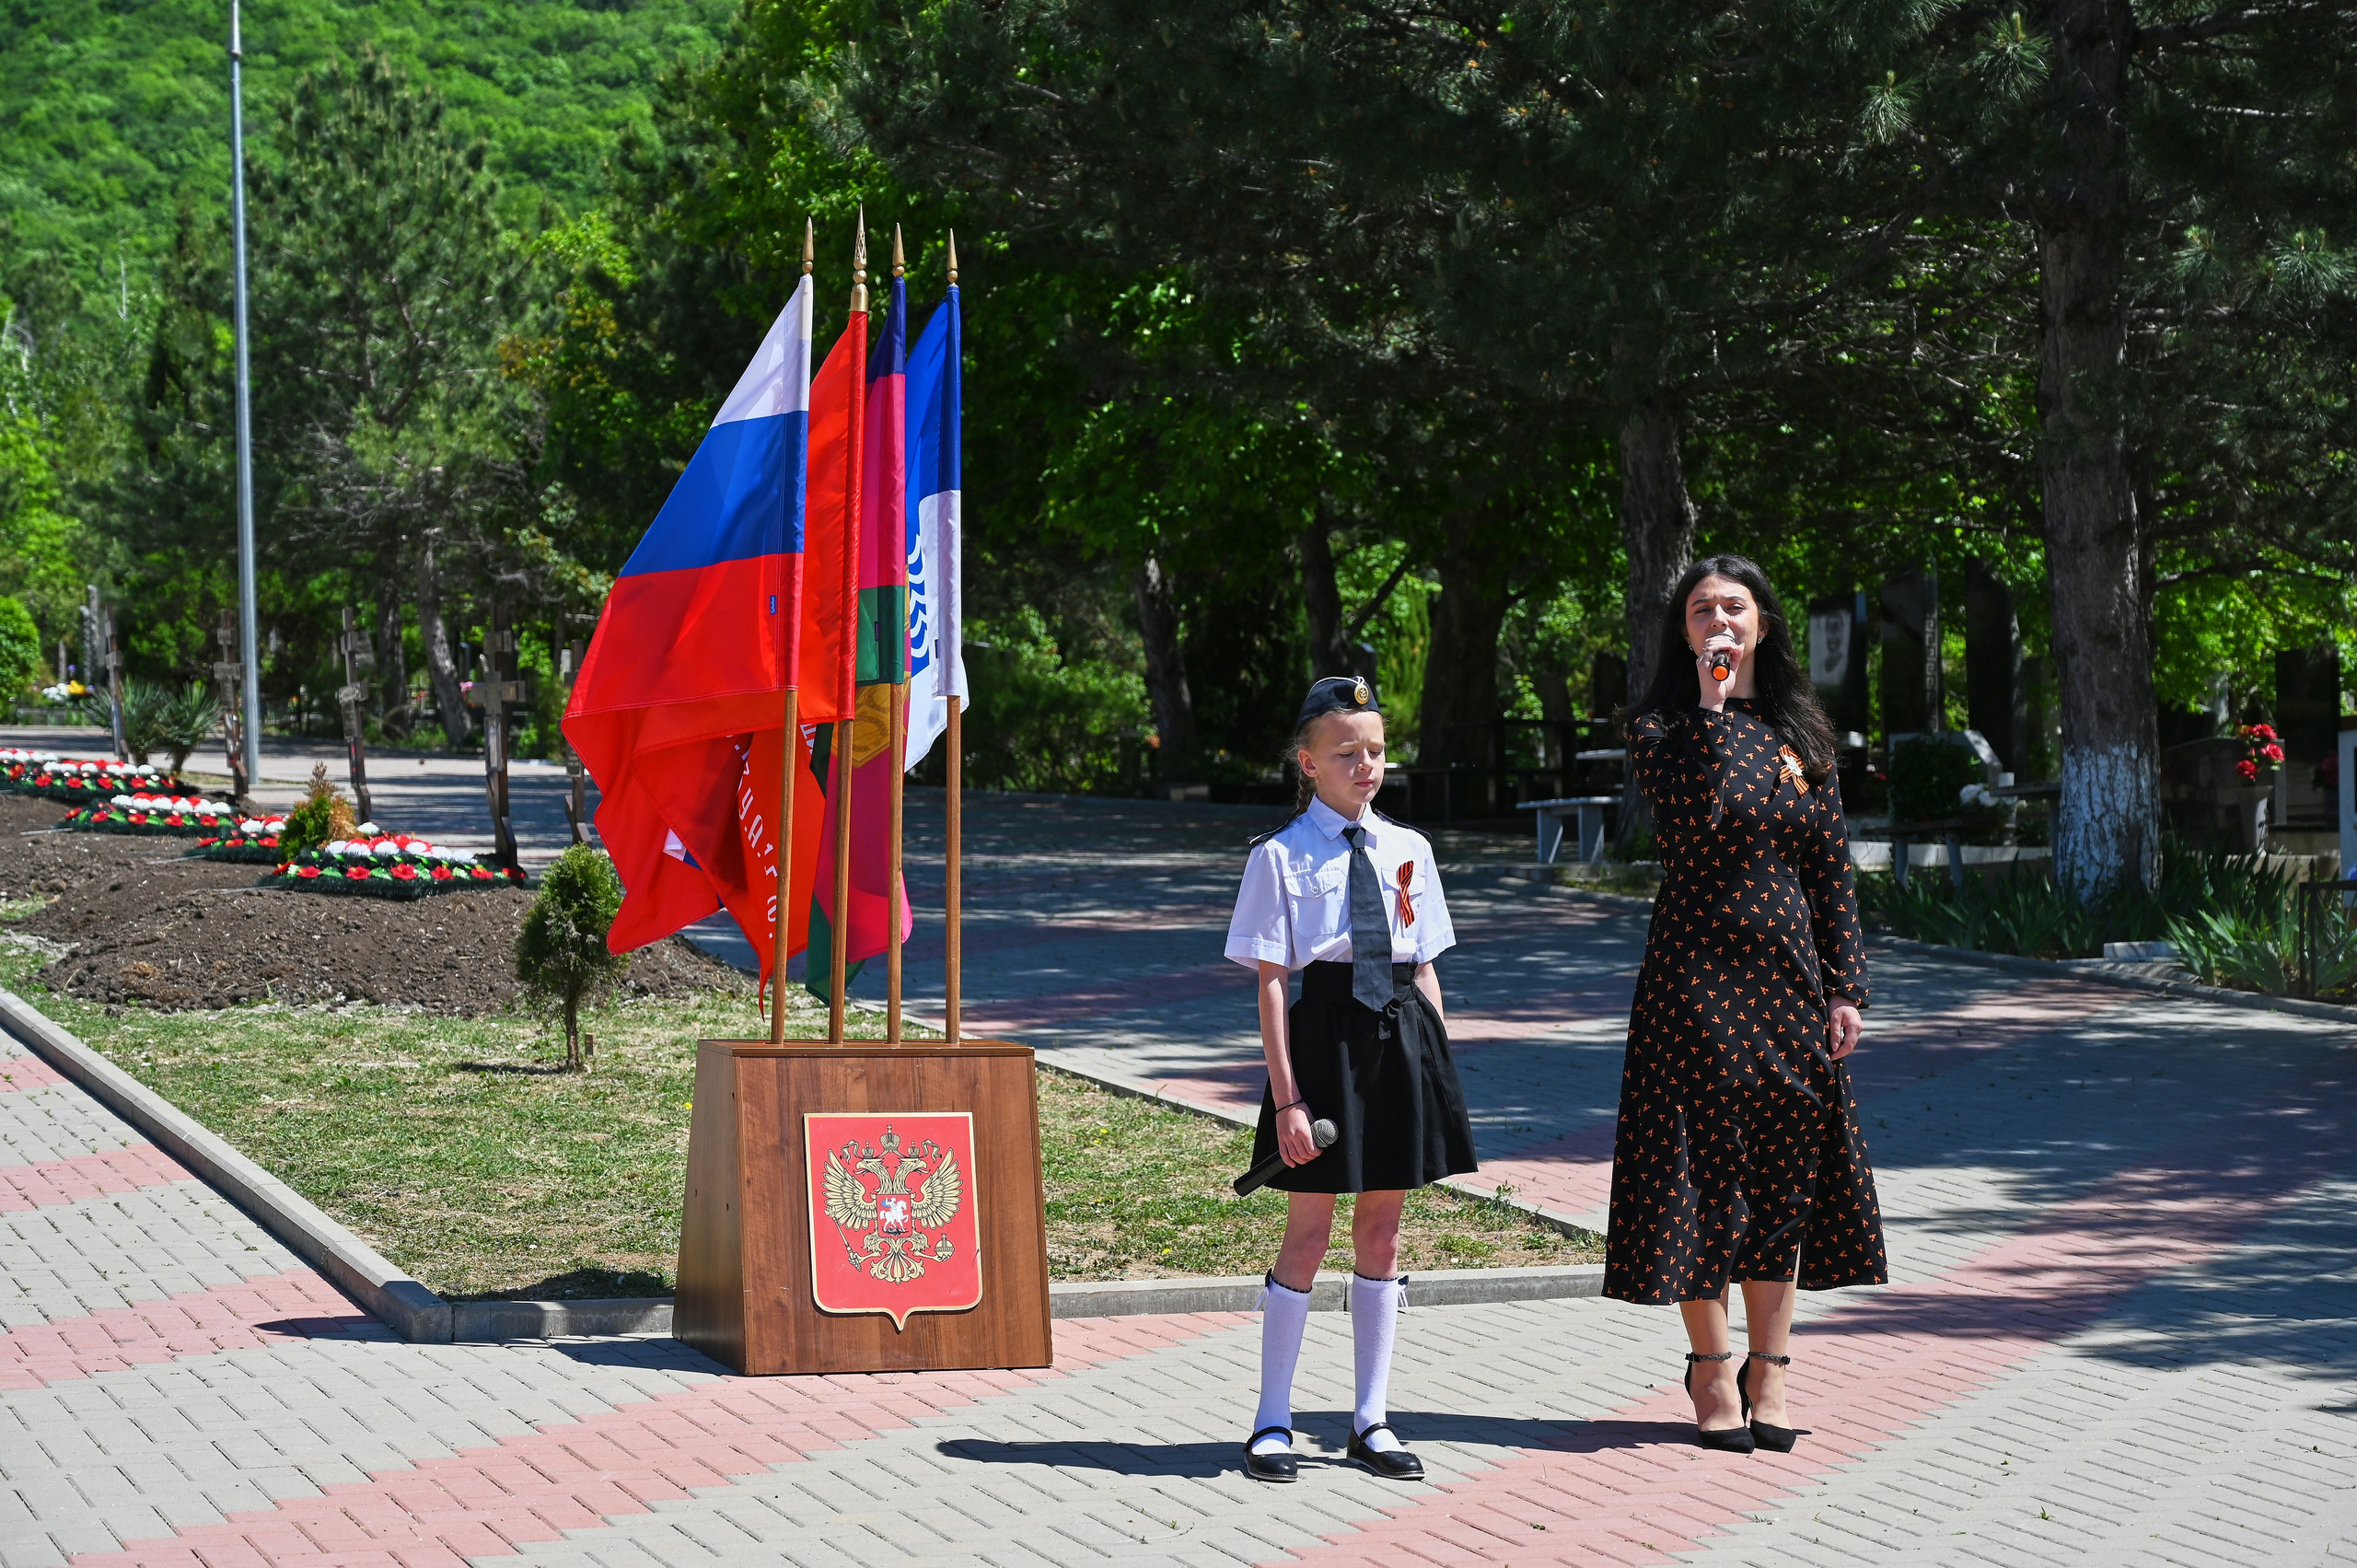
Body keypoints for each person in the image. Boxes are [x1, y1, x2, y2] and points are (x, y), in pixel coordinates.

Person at [1608, 554, 1887, 1455]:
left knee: (1780, 1179)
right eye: (1700, 612)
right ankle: (1711, 1369)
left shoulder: (1806, 733)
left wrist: (1846, 984)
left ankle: (1772, 1370)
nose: (1717, 622)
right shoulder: (1662, 727)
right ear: (1682, 633)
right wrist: (1713, 702)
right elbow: (1705, 813)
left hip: (1789, 989)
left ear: (1763, 620)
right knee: (1701, 1178)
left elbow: (1832, 867)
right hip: (1692, 985)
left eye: (1733, 608)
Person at [1223, 675, 1480, 1483]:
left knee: (1384, 1233)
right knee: (1307, 1232)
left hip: (1400, 1040)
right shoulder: (1280, 855)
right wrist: (1289, 1096)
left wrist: (1437, 1068)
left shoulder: (1411, 848)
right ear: (1308, 762)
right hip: (1325, 1042)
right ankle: (1272, 1418)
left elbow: (1424, 963)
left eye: (1374, 750)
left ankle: (1371, 1418)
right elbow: (1272, 981)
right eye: (1346, 753)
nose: (1365, 765)